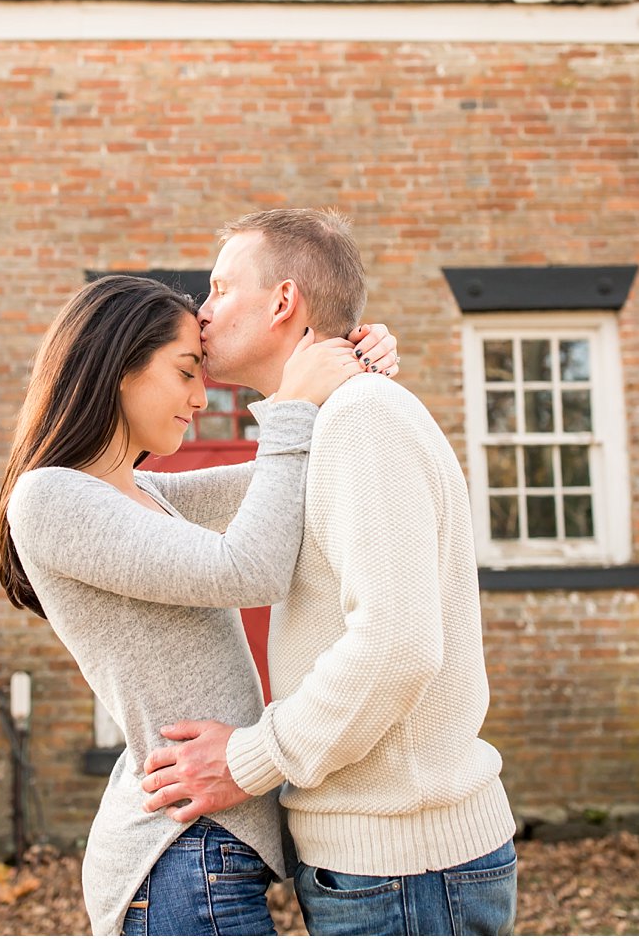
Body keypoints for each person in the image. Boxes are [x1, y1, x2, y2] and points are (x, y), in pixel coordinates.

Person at [137, 208, 519, 936]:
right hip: (385, 868)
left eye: (219, 289)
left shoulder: (361, 418)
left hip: (407, 870)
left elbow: (397, 646)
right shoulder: (330, 422)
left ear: (282, 302)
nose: (202, 311)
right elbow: (169, 503)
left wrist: (248, 759)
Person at [0, 274, 399, 936]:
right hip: (179, 852)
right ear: (118, 368)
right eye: (186, 372)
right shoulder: (48, 498)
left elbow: (299, 473)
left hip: (205, 850)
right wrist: (294, 404)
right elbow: (253, 569)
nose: (200, 396)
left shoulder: (154, 495)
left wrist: (355, 369)